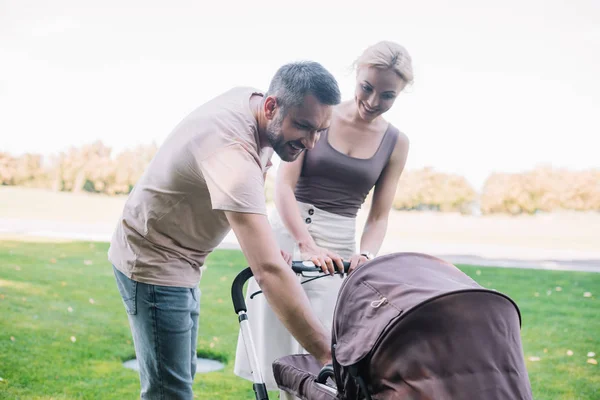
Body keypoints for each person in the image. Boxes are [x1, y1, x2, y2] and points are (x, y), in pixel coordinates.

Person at [108, 61, 342, 399]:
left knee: (176, 375)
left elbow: (229, 198)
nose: (312, 143)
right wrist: (325, 354)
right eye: (304, 126)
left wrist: (262, 245)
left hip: (183, 257)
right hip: (153, 260)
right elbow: (268, 272)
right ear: (271, 106)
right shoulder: (232, 147)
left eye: (320, 130)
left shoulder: (253, 107)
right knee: (168, 391)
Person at [234, 40, 412, 398]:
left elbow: (378, 216)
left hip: (339, 249)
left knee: (323, 358)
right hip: (290, 232)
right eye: (367, 88)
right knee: (277, 350)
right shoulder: (322, 116)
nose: (374, 101)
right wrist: (306, 243)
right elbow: (284, 187)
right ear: (356, 74)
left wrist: (367, 255)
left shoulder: (396, 142)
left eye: (388, 95)